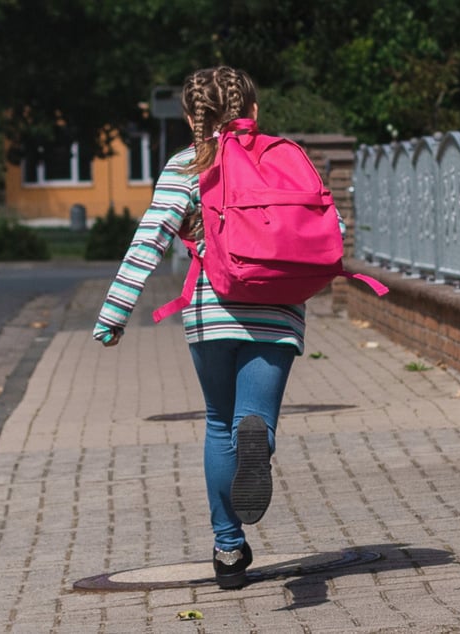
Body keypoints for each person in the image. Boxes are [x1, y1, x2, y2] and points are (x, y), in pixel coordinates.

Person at [93, 66, 310, 590]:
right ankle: (256, 437)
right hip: (276, 309)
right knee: (251, 420)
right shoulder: (282, 156)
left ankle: (229, 549)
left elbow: (151, 238)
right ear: (254, 111)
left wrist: (114, 313)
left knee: (217, 422)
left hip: (210, 312)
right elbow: (327, 223)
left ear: (191, 117)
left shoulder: (185, 165)